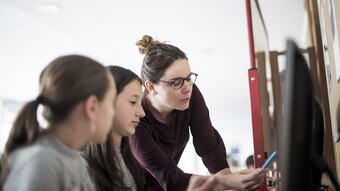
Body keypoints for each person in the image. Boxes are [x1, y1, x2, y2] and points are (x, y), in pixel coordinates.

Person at [132, 35, 267, 191]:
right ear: (151, 87)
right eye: (176, 82)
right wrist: (228, 182)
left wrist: (233, 183)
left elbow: (209, 147)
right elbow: (170, 177)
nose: (187, 87)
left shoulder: (189, 95)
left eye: (189, 78)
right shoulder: (136, 122)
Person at [82, 65, 226, 191]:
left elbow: (208, 144)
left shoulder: (126, 165)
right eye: (132, 102)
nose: (141, 112)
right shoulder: (76, 165)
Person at [0, 55, 116, 191]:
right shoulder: (42, 163)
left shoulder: (72, 156)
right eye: (111, 103)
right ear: (91, 107)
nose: (113, 113)